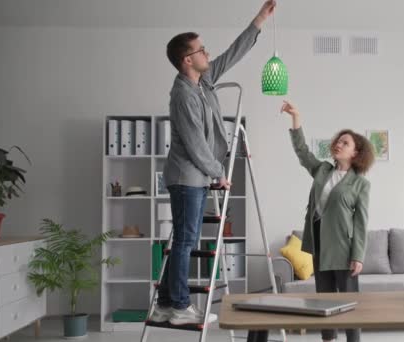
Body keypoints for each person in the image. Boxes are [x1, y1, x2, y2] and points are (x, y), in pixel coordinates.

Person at [150, 0, 277, 326]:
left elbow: (233, 53)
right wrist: (220, 173)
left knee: (183, 238)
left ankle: (165, 303)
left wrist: (259, 20)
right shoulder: (183, 94)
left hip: (194, 176)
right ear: (187, 59)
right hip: (187, 176)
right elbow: (194, 144)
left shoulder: (203, 82)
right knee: (186, 240)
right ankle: (178, 305)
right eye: (201, 50)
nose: (207, 53)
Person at [281, 100, 374, 342]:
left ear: (355, 153)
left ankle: (354, 340)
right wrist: (296, 118)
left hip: (344, 250)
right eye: (338, 141)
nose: (338, 144)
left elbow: (361, 222)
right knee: (323, 299)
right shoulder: (322, 170)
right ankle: (328, 339)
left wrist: (358, 256)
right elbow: (302, 152)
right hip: (319, 244)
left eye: (345, 142)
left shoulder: (360, 184)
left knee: (349, 302)